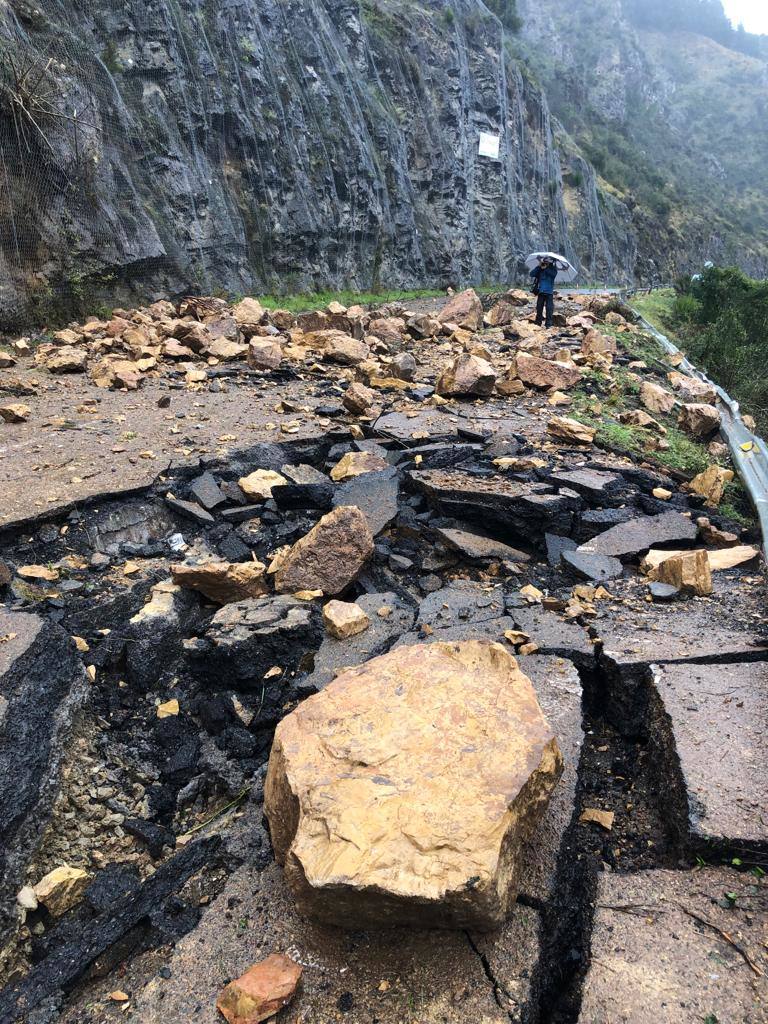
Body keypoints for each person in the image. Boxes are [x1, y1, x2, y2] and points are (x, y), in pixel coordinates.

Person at [531, 257, 558, 328]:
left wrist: (545, 268)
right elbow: (531, 274)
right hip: (541, 291)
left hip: (549, 292)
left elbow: (553, 275)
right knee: (539, 308)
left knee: (549, 309)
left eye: (547, 262)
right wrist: (538, 266)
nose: (546, 263)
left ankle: (548, 324)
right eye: (545, 261)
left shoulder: (553, 268)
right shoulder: (540, 269)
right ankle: (538, 323)